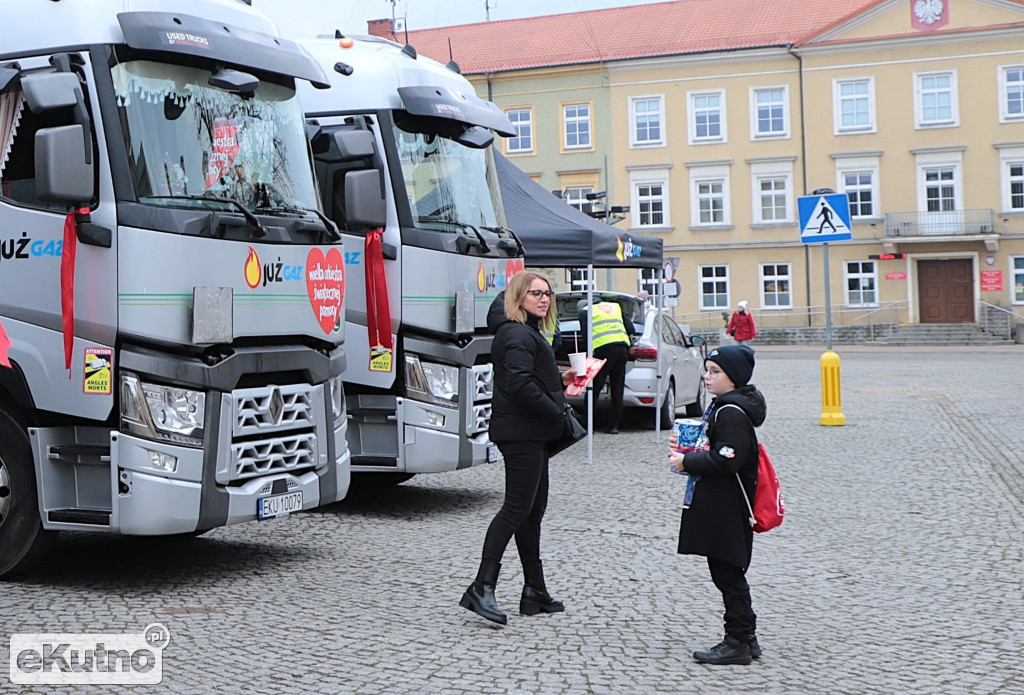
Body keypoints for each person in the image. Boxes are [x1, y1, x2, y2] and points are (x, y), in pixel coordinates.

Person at [460, 272, 577, 625]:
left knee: (532, 511)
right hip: (521, 433)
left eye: (547, 293)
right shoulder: (514, 332)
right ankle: (481, 587)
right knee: (516, 509)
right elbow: (519, 385)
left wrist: (559, 380)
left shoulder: (525, 331)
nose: (543, 299)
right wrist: (556, 408)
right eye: (535, 293)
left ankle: (534, 590)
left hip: (532, 432)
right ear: (518, 297)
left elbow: (526, 376)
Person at [668, 345, 766, 665]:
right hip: (721, 502)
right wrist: (687, 448)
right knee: (727, 571)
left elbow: (729, 458)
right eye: (706, 370)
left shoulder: (732, 413)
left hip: (727, 505)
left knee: (727, 573)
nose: (707, 377)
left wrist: (688, 461)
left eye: (715, 372)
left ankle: (737, 640)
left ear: (733, 378)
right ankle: (747, 637)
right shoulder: (724, 407)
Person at [578, 298, 635, 434]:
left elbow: (586, 337)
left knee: (593, 389)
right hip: (622, 349)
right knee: (617, 389)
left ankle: (588, 425)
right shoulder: (616, 306)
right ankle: (613, 426)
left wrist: (587, 358)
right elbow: (631, 328)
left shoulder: (585, 312)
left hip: (602, 350)